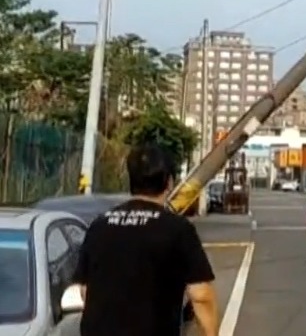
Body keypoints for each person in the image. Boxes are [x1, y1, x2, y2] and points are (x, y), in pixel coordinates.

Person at [72, 144, 218, 336]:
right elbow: (200, 295)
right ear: (169, 182)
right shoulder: (177, 229)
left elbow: (85, 291)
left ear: (131, 181)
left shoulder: (99, 226)